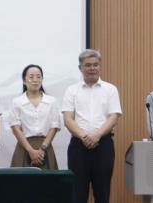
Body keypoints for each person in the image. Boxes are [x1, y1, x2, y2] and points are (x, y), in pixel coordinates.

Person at [61, 49, 122, 203]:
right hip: (78, 146)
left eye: (95, 65)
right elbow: (68, 118)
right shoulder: (72, 90)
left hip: (103, 145)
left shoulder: (110, 89)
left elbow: (114, 116)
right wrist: (84, 136)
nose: (92, 68)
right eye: (88, 65)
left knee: (102, 193)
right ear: (80, 68)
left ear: (100, 66)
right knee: (78, 193)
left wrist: (97, 135)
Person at [9, 64, 61, 168]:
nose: (35, 80)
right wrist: (30, 151)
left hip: (45, 148)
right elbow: (16, 129)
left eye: (38, 77)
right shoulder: (17, 102)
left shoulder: (51, 101)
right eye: (31, 77)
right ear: (24, 81)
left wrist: (42, 149)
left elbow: (54, 127)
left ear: (42, 79)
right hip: (24, 147)